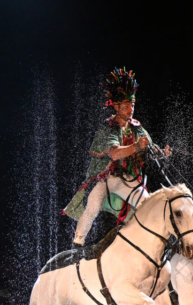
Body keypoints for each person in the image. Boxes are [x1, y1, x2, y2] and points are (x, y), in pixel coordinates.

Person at [64, 67, 171, 245]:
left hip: (127, 180)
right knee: (92, 207)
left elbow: (150, 149)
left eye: (133, 105)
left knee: (148, 204)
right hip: (106, 179)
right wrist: (137, 145)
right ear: (116, 106)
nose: (131, 109)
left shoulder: (137, 127)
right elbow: (114, 154)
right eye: (126, 106)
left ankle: (151, 242)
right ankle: (78, 244)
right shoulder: (109, 127)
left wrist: (161, 153)